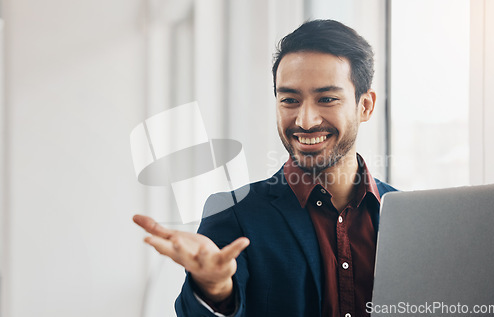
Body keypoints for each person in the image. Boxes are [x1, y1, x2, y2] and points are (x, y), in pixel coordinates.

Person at [134, 19, 397, 317]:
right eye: (289, 100)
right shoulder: (232, 212)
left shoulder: (406, 217)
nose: (305, 121)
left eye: (326, 99)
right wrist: (215, 288)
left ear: (365, 106)